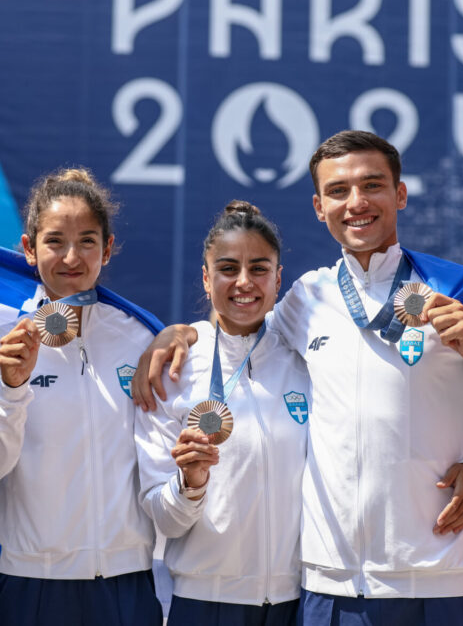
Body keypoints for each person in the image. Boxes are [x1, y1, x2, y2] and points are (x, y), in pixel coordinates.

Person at [133, 131, 463, 626]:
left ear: (399, 195)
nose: (357, 203)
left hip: (437, 579)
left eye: (372, 186)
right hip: (329, 588)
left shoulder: (459, 288)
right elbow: (240, 337)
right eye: (339, 191)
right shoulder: (306, 298)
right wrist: (175, 334)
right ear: (320, 207)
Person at [0, 168, 163, 626]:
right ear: (29, 250)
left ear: (108, 248)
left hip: (126, 585)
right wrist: (12, 387)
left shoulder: (138, 337)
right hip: (32, 586)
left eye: (88, 241)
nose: (72, 257)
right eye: (55, 240)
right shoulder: (2, 338)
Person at [134, 200, 310, 626]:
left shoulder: (306, 359)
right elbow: (163, 516)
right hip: (204, 603)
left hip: (297, 602)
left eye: (260, 268)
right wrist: (189, 485)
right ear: (206, 277)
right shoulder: (174, 368)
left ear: (279, 276)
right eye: (228, 268)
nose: (244, 282)